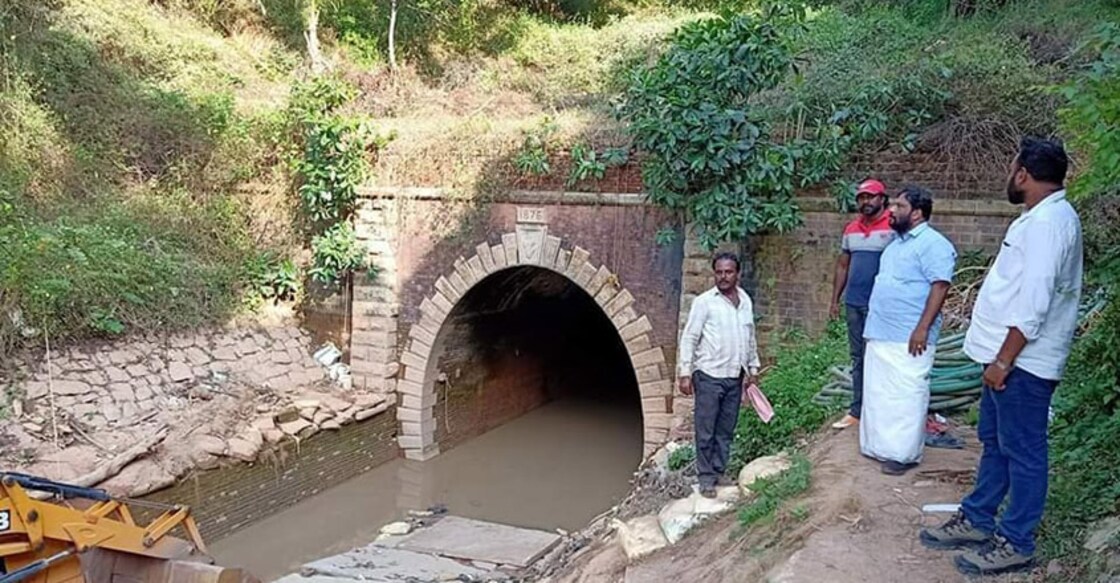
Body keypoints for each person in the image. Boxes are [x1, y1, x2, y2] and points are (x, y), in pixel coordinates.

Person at [920, 137, 1082, 576]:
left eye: (1011, 168)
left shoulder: (1049, 225)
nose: (1008, 175)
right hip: (1007, 359)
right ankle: (977, 518)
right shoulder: (1040, 218)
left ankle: (1015, 541)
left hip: (1022, 364)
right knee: (996, 443)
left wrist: (1004, 361)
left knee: (1024, 451)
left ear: (1023, 174)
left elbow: (1034, 301)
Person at [860, 185, 956, 476]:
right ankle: (878, 447)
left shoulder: (934, 244)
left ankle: (902, 454)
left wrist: (922, 329)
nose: (892, 210)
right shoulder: (895, 245)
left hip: (910, 335)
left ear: (916, 213)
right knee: (880, 394)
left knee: (905, 395)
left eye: (899, 207)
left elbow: (940, 286)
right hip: (882, 332)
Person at [678, 252, 761, 498]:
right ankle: (705, 479)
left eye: (728, 272)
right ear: (714, 273)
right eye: (719, 272)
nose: (723, 277)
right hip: (708, 376)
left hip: (734, 376)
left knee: (725, 429)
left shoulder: (745, 300)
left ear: (738, 274)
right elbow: (690, 337)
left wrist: (753, 368)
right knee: (706, 430)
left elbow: (750, 337)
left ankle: (718, 471)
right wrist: (685, 372)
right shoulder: (704, 302)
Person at [829, 179, 894, 430]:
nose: (866, 202)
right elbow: (843, 265)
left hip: (881, 306)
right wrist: (835, 299)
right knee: (858, 357)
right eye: (861, 198)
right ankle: (857, 411)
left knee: (882, 356)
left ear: (882, 199)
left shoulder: (893, 226)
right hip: (854, 304)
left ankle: (881, 410)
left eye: (871, 197)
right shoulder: (851, 230)